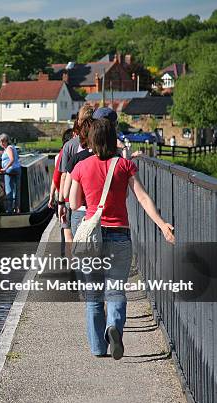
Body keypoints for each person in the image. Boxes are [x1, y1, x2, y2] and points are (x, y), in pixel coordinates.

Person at [69, 118, 175, 360]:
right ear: (112, 140)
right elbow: (143, 198)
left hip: (92, 238)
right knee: (116, 289)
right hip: (119, 235)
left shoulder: (82, 167)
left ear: (92, 141)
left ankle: (98, 348)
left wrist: (91, 204)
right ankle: (114, 326)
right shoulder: (125, 165)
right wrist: (162, 225)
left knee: (94, 295)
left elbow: (74, 203)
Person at [59, 104, 94, 241]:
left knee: (72, 241)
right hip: (97, 206)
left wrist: (61, 202)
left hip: (76, 204)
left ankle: (70, 262)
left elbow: (63, 176)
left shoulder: (69, 146)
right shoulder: (104, 151)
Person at [0, 133, 21, 213]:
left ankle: (9, 209)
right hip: (17, 169)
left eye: (3, 142)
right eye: (0, 142)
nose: (1, 144)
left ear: (6, 141)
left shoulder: (9, 148)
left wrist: (4, 169)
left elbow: (12, 159)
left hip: (10, 170)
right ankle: (17, 208)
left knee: (9, 190)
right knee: (16, 189)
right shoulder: (11, 148)